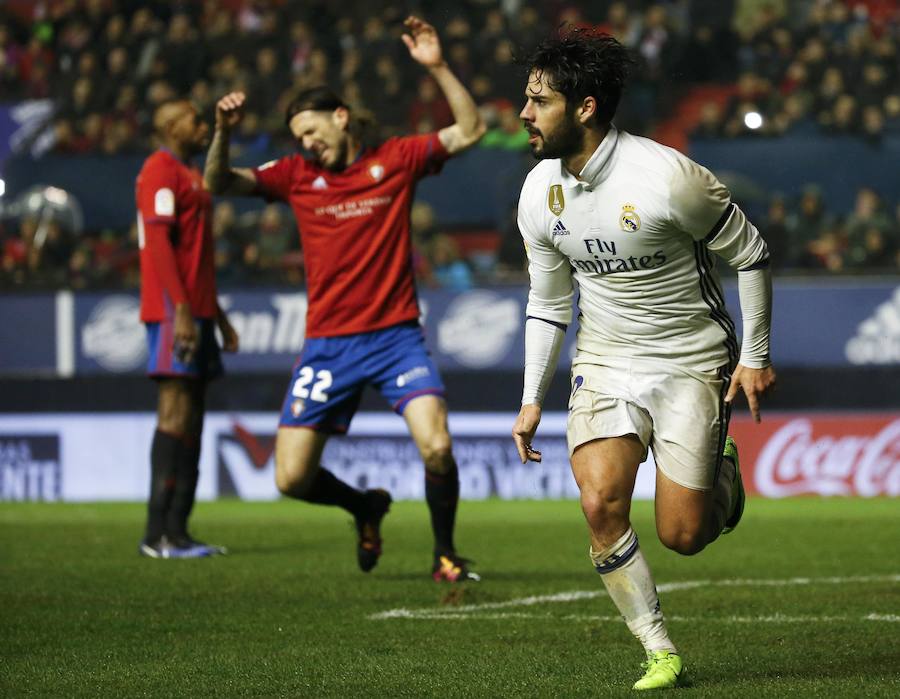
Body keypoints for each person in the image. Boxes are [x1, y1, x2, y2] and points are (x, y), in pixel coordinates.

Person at [510, 29, 776, 690]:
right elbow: (548, 302)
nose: (523, 113)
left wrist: (754, 355)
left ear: (586, 107)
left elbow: (752, 255)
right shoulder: (538, 193)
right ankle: (659, 648)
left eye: (539, 101)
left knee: (685, 534)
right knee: (600, 501)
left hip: (689, 361)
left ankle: (722, 480)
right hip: (602, 361)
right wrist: (531, 395)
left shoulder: (669, 178)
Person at [204, 16, 485, 581]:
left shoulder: (397, 160)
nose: (306, 144)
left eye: (311, 131)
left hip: (396, 337)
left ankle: (445, 555)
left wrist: (436, 67)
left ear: (339, 117)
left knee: (437, 447)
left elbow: (471, 129)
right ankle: (363, 506)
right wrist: (223, 131)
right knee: (289, 479)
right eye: (298, 138)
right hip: (328, 346)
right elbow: (216, 182)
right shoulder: (294, 175)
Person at [136, 99, 239, 558]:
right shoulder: (159, 170)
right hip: (170, 310)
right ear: (172, 126)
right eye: (196, 120)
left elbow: (196, 256)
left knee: (194, 419)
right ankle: (156, 534)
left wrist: (216, 316)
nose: (202, 126)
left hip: (195, 309)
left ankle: (178, 531)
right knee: (174, 413)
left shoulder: (193, 172)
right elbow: (159, 242)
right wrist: (179, 309)